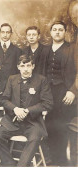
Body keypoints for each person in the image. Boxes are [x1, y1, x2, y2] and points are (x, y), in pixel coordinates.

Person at [0, 55, 53, 167]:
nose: (25, 69)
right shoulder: (12, 79)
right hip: (13, 121)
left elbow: (48, 103)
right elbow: (4, 100)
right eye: (22, 66)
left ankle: (21, 166)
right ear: (18, 67)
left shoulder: (41, 80)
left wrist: (27, 111)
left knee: (34, 139)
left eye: (28, 65)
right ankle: (10, 164)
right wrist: (15, 109)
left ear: (33, 66)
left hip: (33, 122)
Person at [39, 21, 77, 166]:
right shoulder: (45, 50)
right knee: (48, 125)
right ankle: (51, 159)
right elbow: (41, 73)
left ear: (65, 32)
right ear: (50, 32)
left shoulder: (71, 48)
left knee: (61, 126)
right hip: (48, 92)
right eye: (54, 29)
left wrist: (73, 91)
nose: (57, 32)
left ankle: (62, 161)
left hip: (64, 92)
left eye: (60, 29)